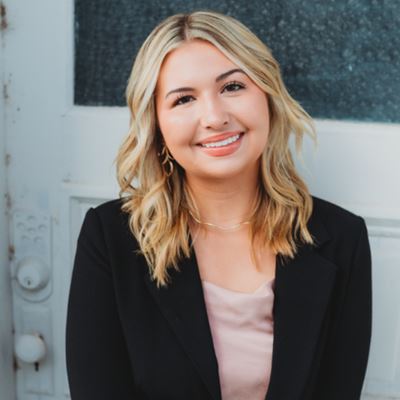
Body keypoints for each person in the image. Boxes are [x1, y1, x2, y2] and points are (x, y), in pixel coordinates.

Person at [66, 10, 372, 400]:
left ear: (268, 96)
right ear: (157, 124)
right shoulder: (110, 238)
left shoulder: (342, 238)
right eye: (184, 99)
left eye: (232, 87)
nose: (214, 117)